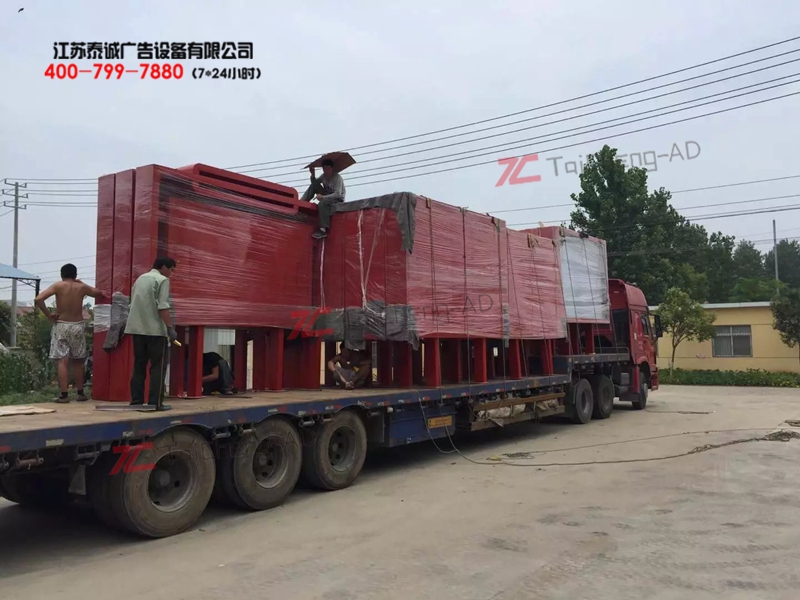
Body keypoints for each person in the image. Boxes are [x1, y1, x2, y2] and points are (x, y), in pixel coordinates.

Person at [34, 263, 105, 403]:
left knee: (62, 360)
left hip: (61, 325)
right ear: (75, 275)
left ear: (61, 275)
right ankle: (80, 393)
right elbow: (99, 293)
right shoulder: (81, 287)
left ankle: (64, 395)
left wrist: (49, 315)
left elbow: (38, 299)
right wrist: (82, 283)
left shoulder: (58, 286)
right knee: (78, 361)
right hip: (77, 325)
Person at [125, 256, 177, 408]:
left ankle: (136, 401)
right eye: (171, 269)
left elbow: (132, 303)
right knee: (157, 367)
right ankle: (155, 402)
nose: (171, 273)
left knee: (139, 366)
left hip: (137, 329)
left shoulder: (140, 279)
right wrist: (170, 328)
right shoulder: (162, 280)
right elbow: (163, 306)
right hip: (155, 331)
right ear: (163, 267)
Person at [300, 158, 346, 239]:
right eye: (324, 169)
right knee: (313, 186)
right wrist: (313, 175)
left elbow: (338, 194)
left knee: (322, 203)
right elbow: (315, 184)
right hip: (327, 196)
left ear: (332, 168)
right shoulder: (323, 176)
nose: (326, 171)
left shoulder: (337, 178)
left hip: (337, 200)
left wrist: (323, 197)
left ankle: (323, 230)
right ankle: (301, 203)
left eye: (328, 169)